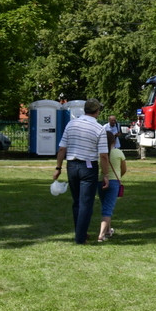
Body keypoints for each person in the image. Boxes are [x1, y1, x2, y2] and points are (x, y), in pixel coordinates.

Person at [52, 99, 111, 245]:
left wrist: (58, 168)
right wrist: (105, 174)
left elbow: (61, 149)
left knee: (77, 202)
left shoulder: (71, 124)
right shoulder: (99, 128)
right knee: (86, 203)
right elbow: (103, 155)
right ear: (97, 111)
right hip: (88, 167)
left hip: (71, 165)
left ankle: (81, 232)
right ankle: (80, 237)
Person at [97, 131, 127, 242]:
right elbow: (124, 169)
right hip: (113, 181)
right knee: (108, 209)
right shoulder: (118, 152)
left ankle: (108, 230)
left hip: (100, 181)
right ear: (114, 141)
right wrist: (118, 176)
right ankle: (101, 235)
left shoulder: (99, 153)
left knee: (105, 205)